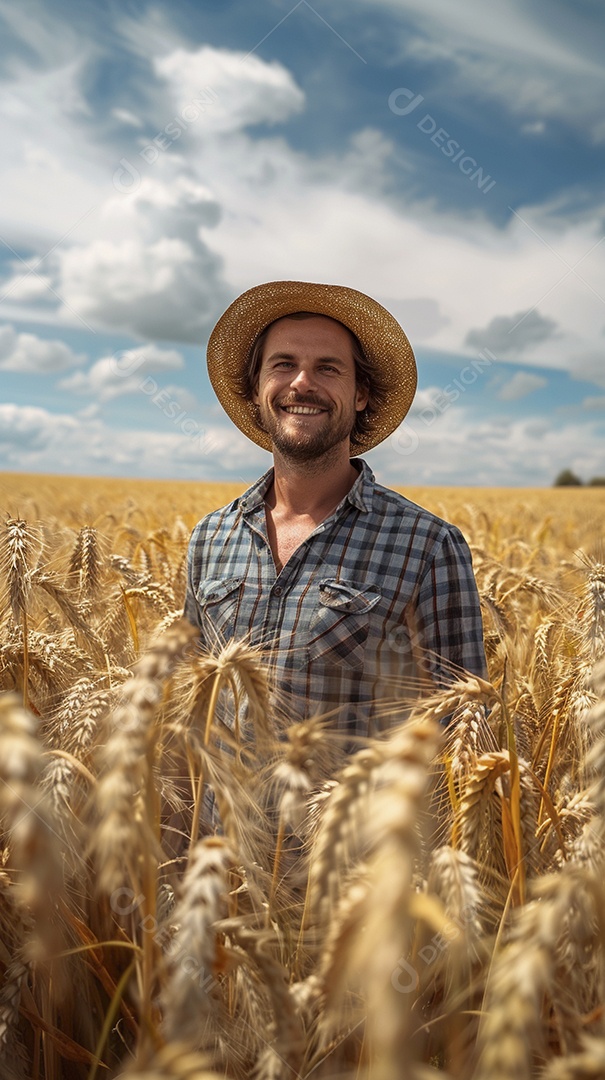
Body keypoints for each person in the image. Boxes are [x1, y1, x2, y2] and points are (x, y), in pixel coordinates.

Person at [184, 280, 487, 738]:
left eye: (328, 368)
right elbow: (192, 699)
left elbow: (464, 726)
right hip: (216, 812)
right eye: (283, 364)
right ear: (256, 389)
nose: (302, 383)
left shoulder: (428, 545)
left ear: (361, 395)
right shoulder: (210, 537)